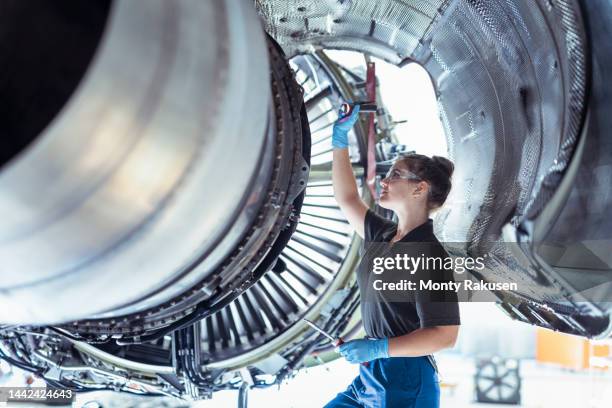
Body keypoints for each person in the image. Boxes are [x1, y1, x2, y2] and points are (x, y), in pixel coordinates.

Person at [325, 104, 461, 407]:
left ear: (419, 189)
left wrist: (378, 349)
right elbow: (347, 198)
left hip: (405, 380)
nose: (384, 181)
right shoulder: (381, 235)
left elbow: (444, 336)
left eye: (396, 174)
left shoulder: (429, 254)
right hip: (371, 375)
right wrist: (339, 142)